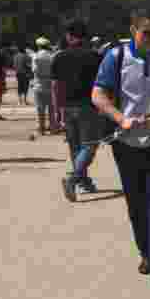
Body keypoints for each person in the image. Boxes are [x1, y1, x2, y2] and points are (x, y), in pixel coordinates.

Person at [91, 8, 150, 291]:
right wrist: (121, 119)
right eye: (148, 33)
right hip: (126, 142)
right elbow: (98, 95)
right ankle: (147, 252)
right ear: (134, 31)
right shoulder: (116, 57)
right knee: (137, 202)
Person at [53, 19, 103, 201]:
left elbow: (55, 86)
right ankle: (73, 179)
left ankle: (83, 181)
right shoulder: (95, 56)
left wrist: (57, 111)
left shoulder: (59, 56)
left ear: (69, 36)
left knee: (75, 147)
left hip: (67, 106)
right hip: (88, 106)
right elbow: (103, 84)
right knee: (90, 145)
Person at [31, 37, 55, 134]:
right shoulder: (52, 56)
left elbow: (34, 70)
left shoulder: (35, 56)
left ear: (39, 46)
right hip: (50, 84)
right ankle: (53, 127)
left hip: (39, 84)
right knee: (51, 108)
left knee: (40, 108)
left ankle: (41, 128)